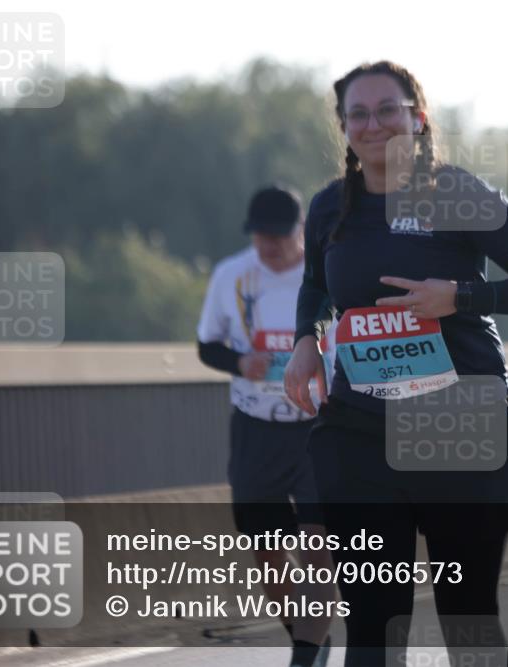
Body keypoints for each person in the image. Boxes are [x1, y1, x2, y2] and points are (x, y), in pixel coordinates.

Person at [283, 62, 508, 667]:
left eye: (387, 109)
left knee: (467, 616)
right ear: (342, 127)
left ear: (416, 118)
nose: (373, 124)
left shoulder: (459, 193)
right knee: (372, 623)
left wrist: (461, 297)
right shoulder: (327, 209)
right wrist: (306, 340)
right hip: (360, 433)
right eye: (357, 113)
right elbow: (315, 286)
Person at [197, 185, 336, 667]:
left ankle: (306, 654)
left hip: (318, 426)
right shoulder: (231, 276)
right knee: (268, 554)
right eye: (260, 237)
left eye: (277, 236)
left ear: (300, 231)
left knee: (320, 547)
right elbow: (206, 346)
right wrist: (240, 361)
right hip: (256, 428)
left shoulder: (323, 275)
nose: (268, 246)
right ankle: (311, 638)